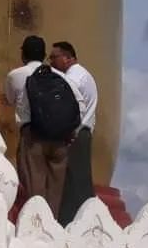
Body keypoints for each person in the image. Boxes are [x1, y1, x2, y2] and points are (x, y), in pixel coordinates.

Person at [15, 59, 86, 216]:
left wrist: (25, 130)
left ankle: (36, 220)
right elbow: (80, 105)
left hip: (35, 139)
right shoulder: (64, 80)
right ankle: (51, 222)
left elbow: (22, 113)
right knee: (56, 188)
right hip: (61, 140)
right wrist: (72, 130)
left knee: (35, 184)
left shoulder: (30, 82)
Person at [50, 41, 97, 226]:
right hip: (80, 133)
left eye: (54, 57)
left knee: (75, 182)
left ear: (68, 58)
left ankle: (77, 223)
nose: (51, 61)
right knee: (76, 181)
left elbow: (71, 106)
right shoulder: (77, 75)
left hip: (76, 133)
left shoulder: (74, 78)